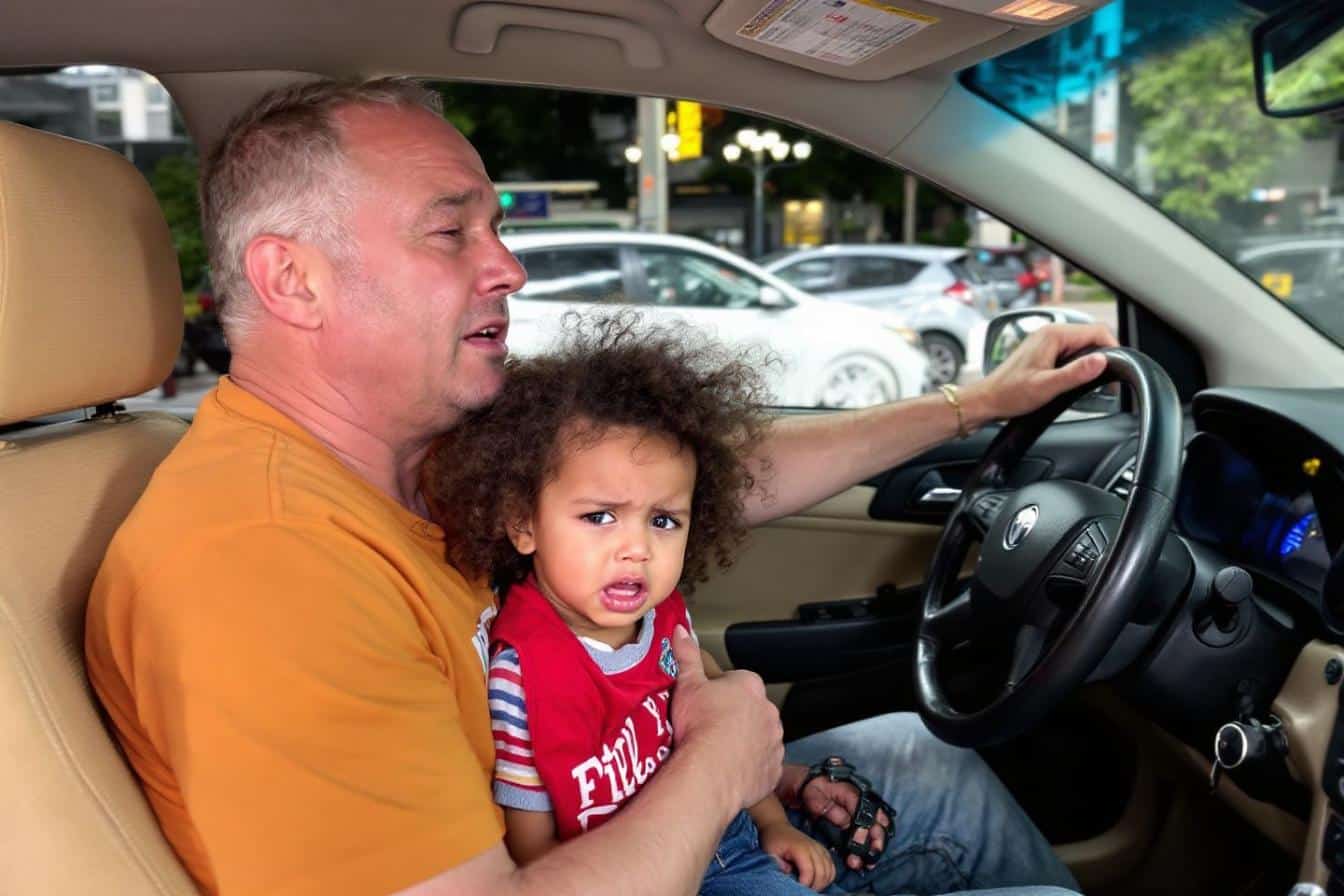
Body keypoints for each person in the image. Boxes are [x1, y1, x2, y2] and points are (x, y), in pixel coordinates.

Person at [84, 77, 1112, 896]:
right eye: (452, 232)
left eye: (494, 227)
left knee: (920, 757)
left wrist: (971, 407)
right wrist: (722, 763)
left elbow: (715, 478)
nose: (510, 268)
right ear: (292, 279)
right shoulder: (261, 565)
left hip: (625, 830)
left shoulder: (422, 454)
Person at [423, 314, 891, 894]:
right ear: (524, 523)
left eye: (664, 521)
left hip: (732, 837)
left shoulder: (666, 621)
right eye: (599, 517)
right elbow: (533, 852)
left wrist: (774, 824)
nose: (637, 549)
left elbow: (730, 728)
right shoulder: (523, 675)